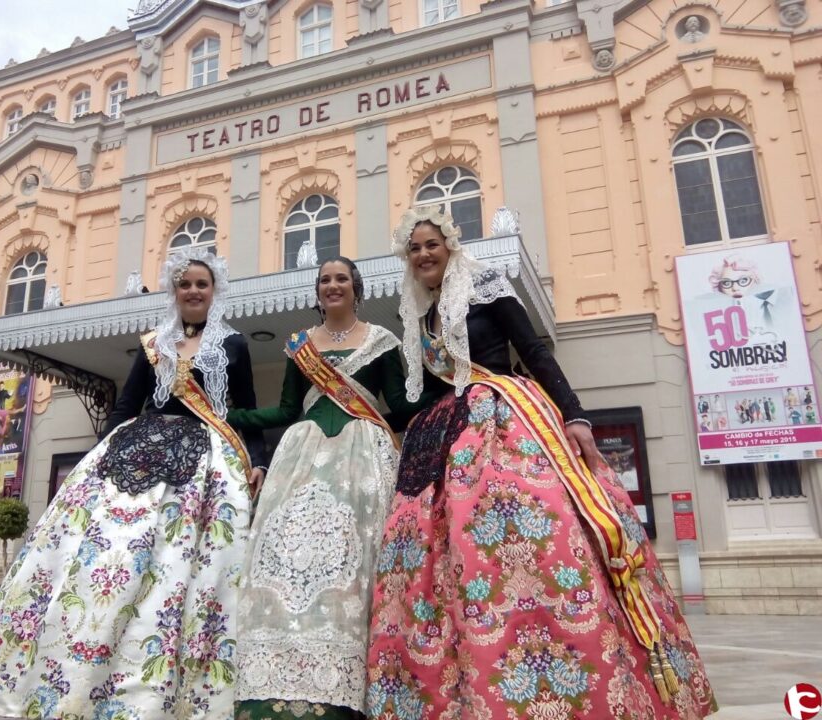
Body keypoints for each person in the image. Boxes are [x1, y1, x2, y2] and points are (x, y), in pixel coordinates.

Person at [365, 206, 716, 719]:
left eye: (431, 244)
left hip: (503, 416)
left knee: (537, 538)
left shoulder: (487, 286)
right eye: (413, 248)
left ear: (450, 246)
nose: (423, 254)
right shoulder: (421, 313)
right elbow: (428, 393)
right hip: (444, 432)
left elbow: (533, 349)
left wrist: (575, 415)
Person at [0, 248, 266, 720]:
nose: (193, 291)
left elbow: (245, 407)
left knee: (190, 565)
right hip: (140, 455)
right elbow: (127, 405)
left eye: (201, 284)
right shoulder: (152, 344)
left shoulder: (234, 345)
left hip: (207, 464)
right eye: (185, 284)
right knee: (115, 557)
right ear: (174, 292)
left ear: (214, 290)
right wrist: (99, 458)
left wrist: (257, 460)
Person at [229, 257, 427, 720]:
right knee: (282, 557)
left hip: (363, 457)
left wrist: (443, 395)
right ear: (317, 292)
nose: (332, 285)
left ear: (356, 289)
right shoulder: (300, 346)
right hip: (302, 455)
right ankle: (276, 673)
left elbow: (398, 405)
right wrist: (230, 417)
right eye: (324, 280)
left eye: (341, 279)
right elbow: (284, 410)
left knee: (355, 559)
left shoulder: (383, 342)